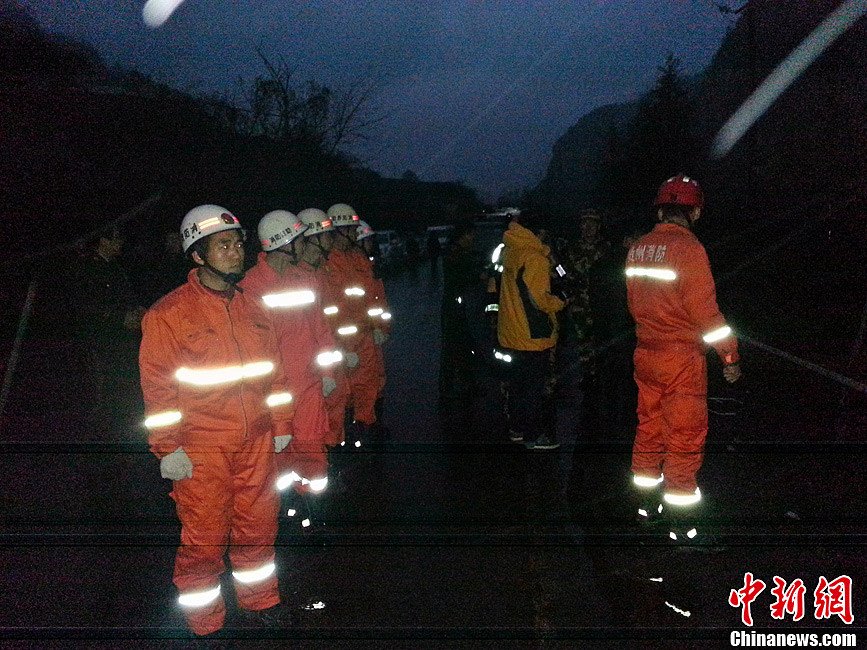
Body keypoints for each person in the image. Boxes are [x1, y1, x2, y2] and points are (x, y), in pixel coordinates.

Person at [139, 204, 294, 636]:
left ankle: (260, 602)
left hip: (257, 441)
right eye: (223, 245)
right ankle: (205, 623)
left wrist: (282, 424)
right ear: (197, 256)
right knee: (205, 536)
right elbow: (158, 389)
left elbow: (275, 375)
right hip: (203, 446)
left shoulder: (254, 308)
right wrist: (167, 447)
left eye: (237, 242)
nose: (235, 251)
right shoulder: (168, 315)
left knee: (259, 526)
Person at [625, 175, 741, 545]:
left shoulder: (638, 248)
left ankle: (645, 509)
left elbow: (634, 303)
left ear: (660, 209)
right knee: (685, 439)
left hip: (645, 353)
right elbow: (706, 313)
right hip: (681, 359)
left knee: (649, 429)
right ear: (694, 211)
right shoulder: (688, 249)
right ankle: (684, 528)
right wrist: (729, 356)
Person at [241, 209, 342, 506]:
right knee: (279, 458)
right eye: (299, 239)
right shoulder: (250, 287)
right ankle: (286, 509)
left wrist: (328, 374)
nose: (305, 244)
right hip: (273, 393)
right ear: (284, 243)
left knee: (312, 449)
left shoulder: (305, 279)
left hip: (309, 386)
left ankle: (314, 507)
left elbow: (321, 331)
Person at [497, 210, 566, 450]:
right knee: (533, 388)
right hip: (533, 333)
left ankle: (517, 429)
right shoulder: (533, 257)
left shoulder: (511, 251)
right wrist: (560, 301)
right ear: (540, 232)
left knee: (518, 385)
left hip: (511, 331)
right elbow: (540, 299)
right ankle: (533, 435)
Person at [71, 224, 146, 438]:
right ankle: (102, 435)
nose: (120, 243)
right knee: (106, 389)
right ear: (103, 241)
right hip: (103, 342)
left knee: (123, 387)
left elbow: (126, 297)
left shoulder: (114, 267)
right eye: (116, 238)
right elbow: (86, 308)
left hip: (122, 341)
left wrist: (139, 311)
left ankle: (121, 430)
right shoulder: (87, 268)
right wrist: (120, 318)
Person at [439, 221, 482, 396]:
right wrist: (478, 275)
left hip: (457, 305)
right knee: (454, 345)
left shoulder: (459, 252)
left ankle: (463, 384)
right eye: (470, 235)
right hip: (454, 306)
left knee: (461, 345)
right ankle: (452, 388)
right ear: (462, 235)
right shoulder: (455, 253)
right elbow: (459, 276)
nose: (473, 238)